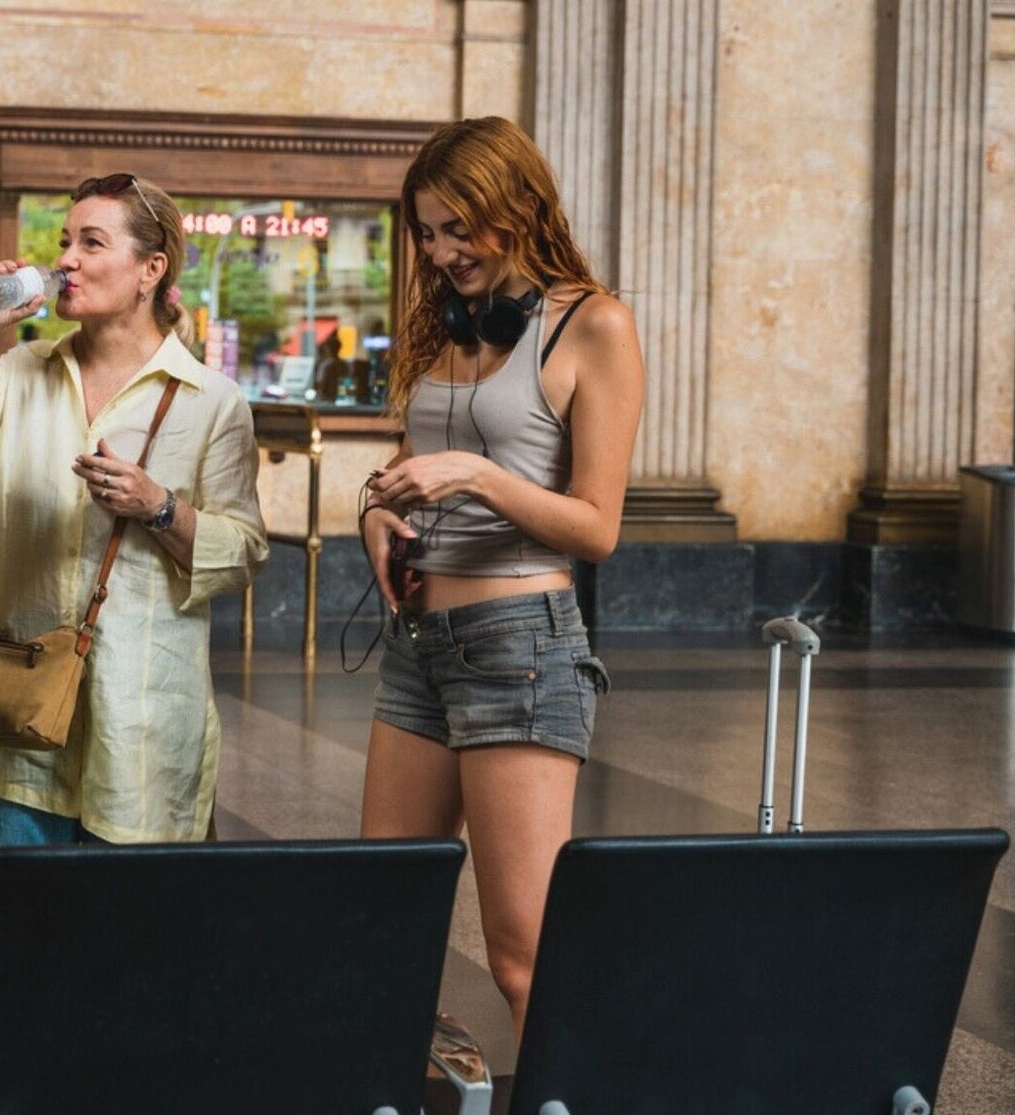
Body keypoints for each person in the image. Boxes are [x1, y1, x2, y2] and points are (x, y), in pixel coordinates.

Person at [0, 173, 268, 880]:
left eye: (92, 242)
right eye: (65, 241)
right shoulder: (22, 373)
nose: (66, 258)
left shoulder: (211, 401)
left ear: (151, 270)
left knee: (128, 961)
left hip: (143, 735)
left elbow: (243, 550)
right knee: (21, 950)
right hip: (16, 731)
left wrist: (160, 507)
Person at [359, 117, 645, 1037]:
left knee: (523, 956)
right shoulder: (440, 325)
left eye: (459, 228)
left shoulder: (593, 325)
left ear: (516, 206)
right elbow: (410, 467)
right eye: (428, 232)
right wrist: (377, 513)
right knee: (380, 923)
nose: (442, 252)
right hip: (420, 645)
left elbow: (597, 528)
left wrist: (477, 474)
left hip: (520, 645)